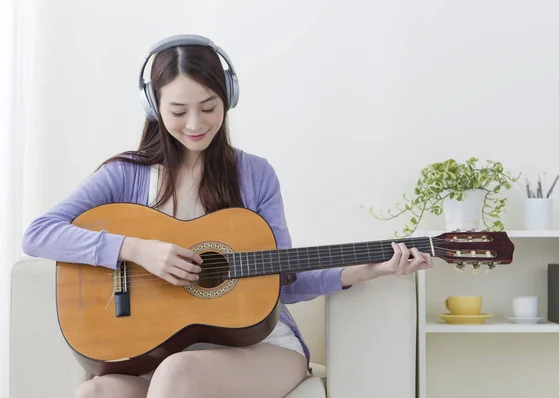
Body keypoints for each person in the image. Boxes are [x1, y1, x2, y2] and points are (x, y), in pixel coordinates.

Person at [21, 34, 434, 398]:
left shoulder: (255, 175)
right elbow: (38, 234)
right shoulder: (125, 175)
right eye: (179, 111)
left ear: (227, 98)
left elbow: (282, 282)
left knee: (178, 373)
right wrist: (136, 249)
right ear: (154, 106)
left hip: (260, 349)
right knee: (97, 392)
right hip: (160, 352)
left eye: (209, 106)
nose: (196, 124)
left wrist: (367, 271)